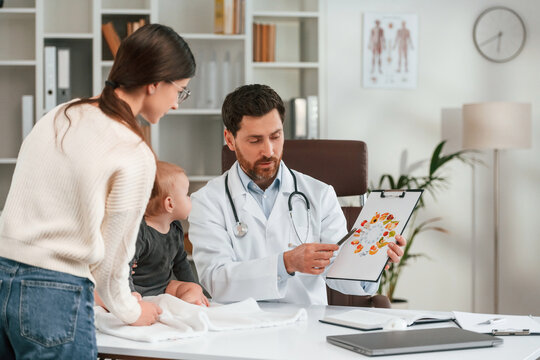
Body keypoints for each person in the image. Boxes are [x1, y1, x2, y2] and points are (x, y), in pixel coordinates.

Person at [0, 24, 195, 359]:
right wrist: (133, 311)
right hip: (53, 292)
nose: (177, 104)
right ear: (154, 84)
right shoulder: (133, 152)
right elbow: (111, 264)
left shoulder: (64, 113)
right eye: (180, 90)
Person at [188, 84, 406, 305]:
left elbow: (338, 270)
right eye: (255, 140)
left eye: (275, 136)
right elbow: (216, 280)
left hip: (307, 326)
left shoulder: (319, 194)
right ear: (230, 139)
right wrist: (286, 263)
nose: (269, 151)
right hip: (239, 328)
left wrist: (371, 263)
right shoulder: (206, 201)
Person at [128, 161, 209, 306]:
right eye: (186, 195)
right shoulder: (139, 232)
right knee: (127, 298)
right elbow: (123, 267)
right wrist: (129, 293)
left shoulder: (175, 228)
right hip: (137, 288)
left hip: (163, 287)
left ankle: (184, 307)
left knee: (194, 288)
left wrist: (192, 286)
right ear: (170, 204)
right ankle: (139, 304)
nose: (189, 199)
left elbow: (181, 262)